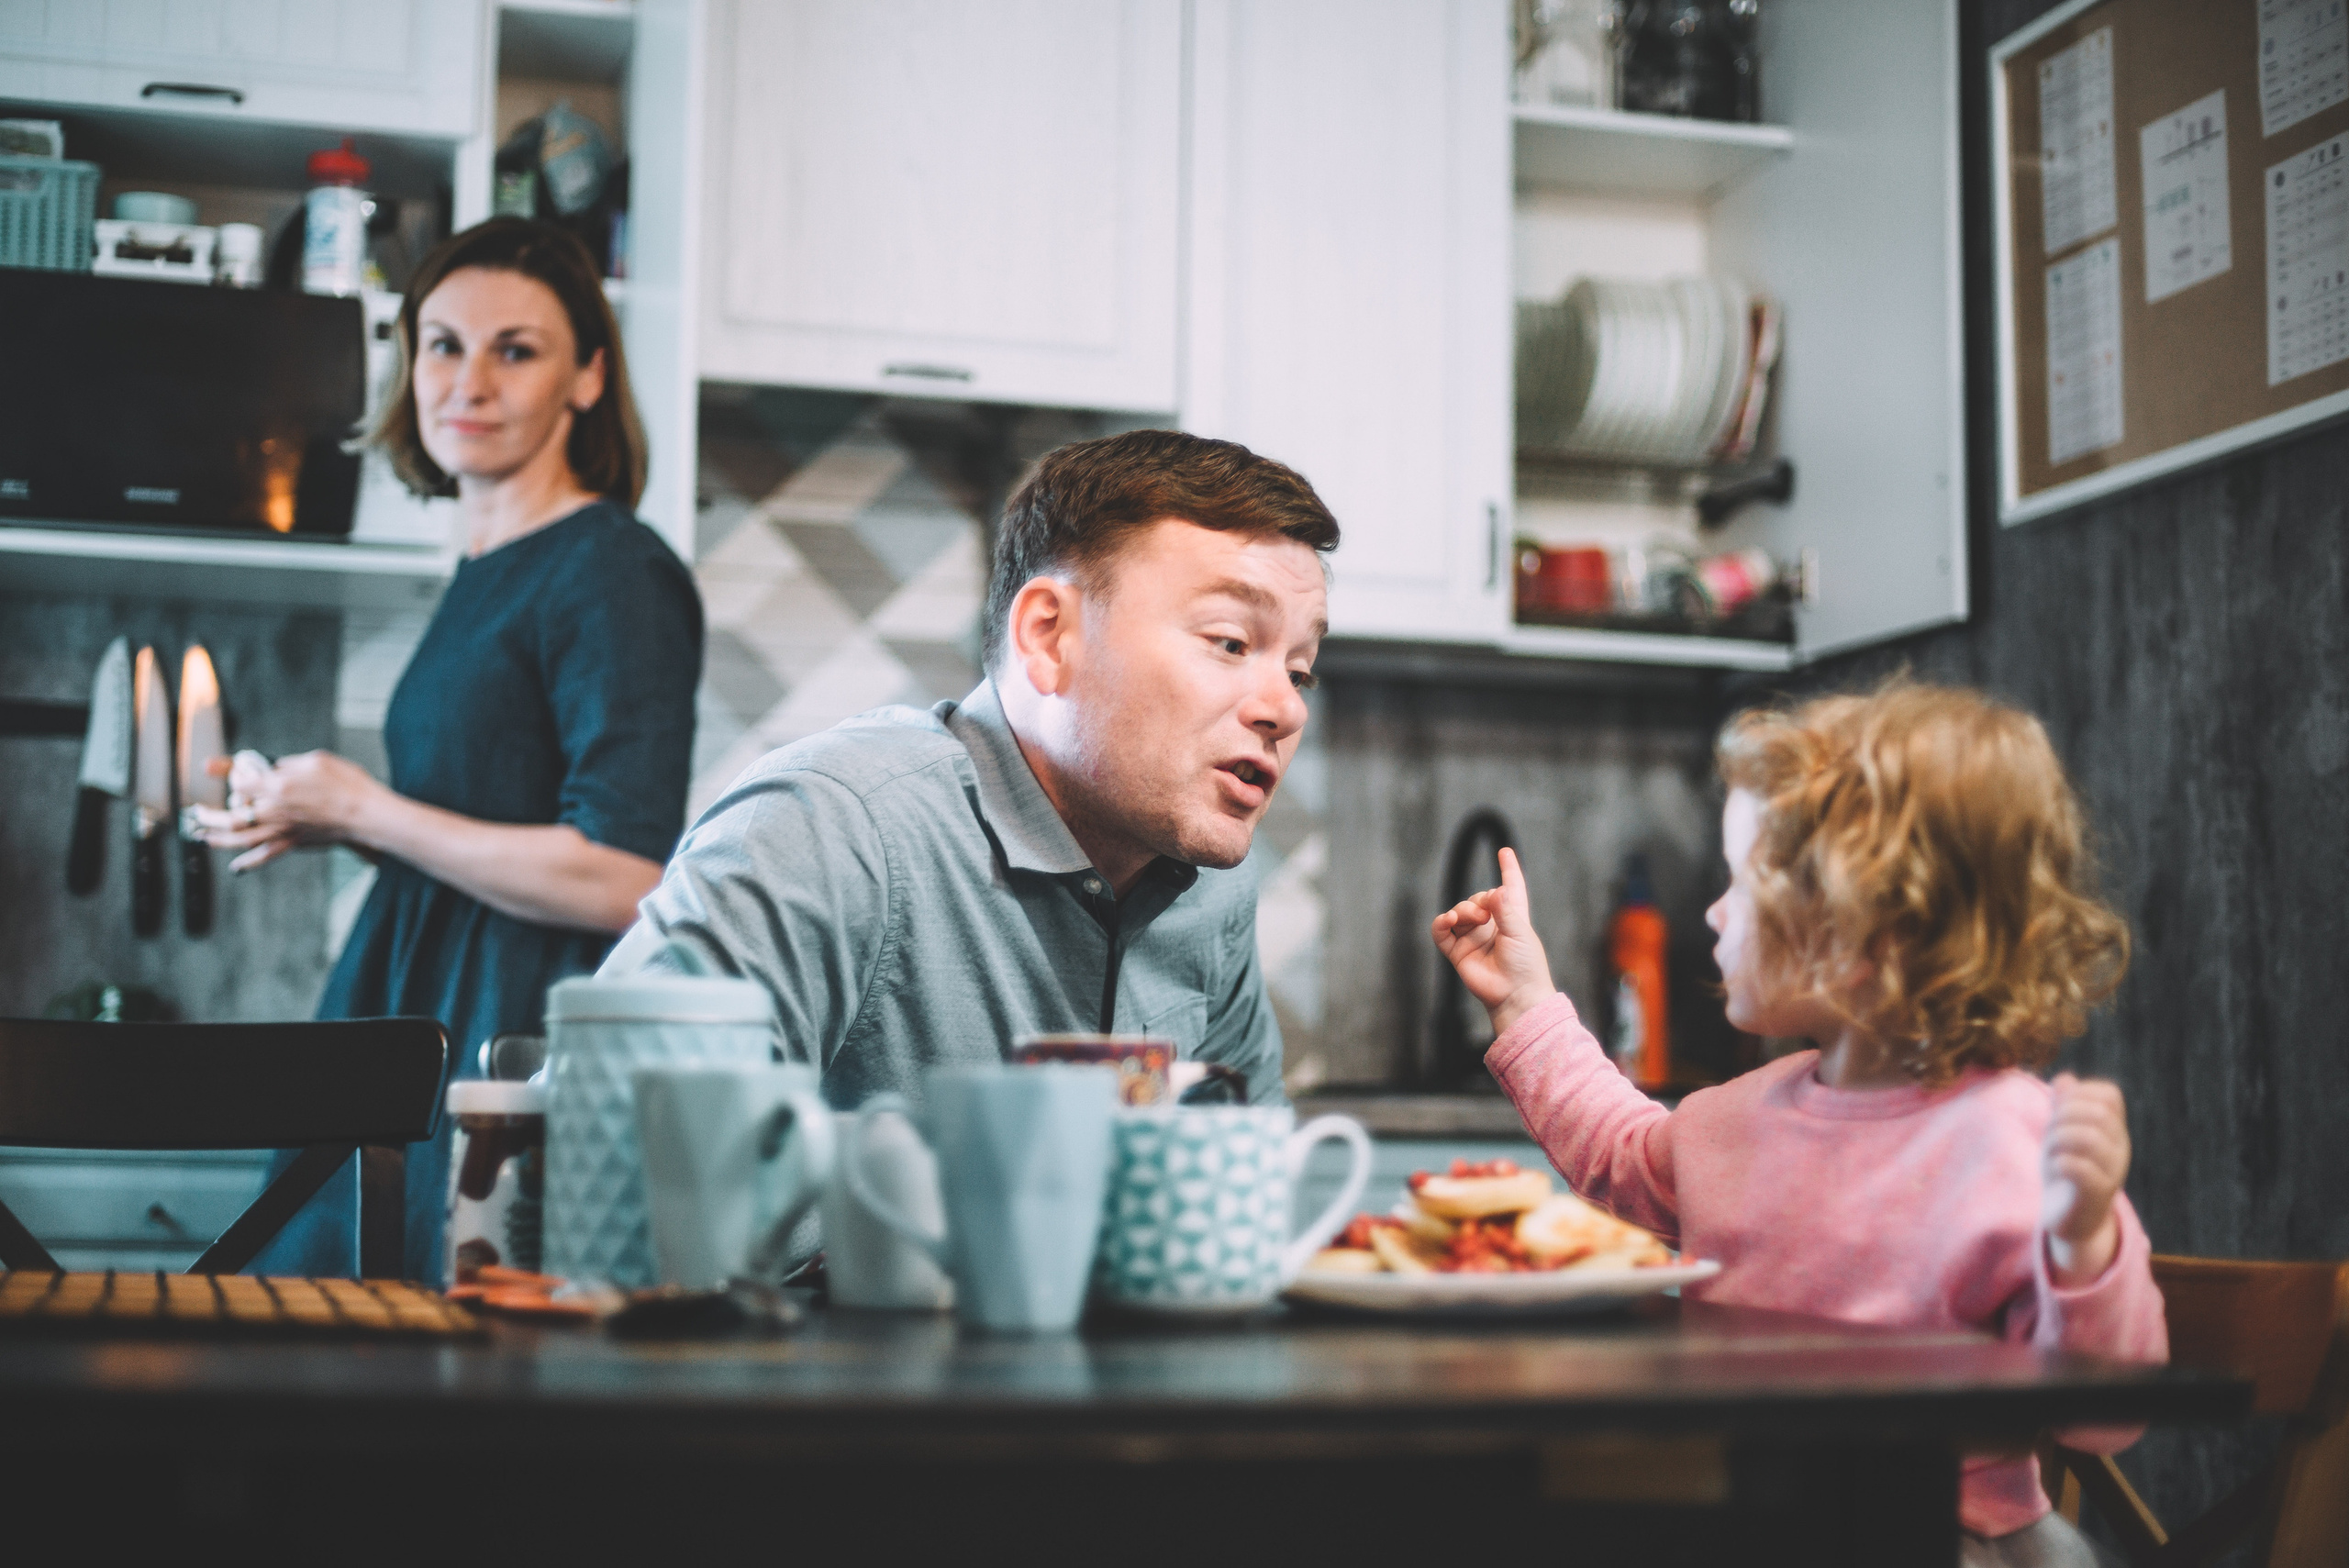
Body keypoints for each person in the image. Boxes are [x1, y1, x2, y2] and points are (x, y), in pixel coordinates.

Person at [1430, 681, 2165, 1568]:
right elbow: (1617, 1149)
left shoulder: (2018, 1143)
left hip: (1939, 1537)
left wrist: (2084, 1243)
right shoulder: (1738, 1115)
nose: (1714, 910)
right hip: (1743, 1518)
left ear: (1860, 935)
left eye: (1743, 884)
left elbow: (2107, 1416)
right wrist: (1524, 1001)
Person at [196, 218, 703, 1283]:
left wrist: (367, 810)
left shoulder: (612, 568)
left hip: (501, 1036)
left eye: (515, 350)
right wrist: (322, 813)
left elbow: (624, 877)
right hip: (411, 1006)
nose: (469, 381)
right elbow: (480, 817)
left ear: (586, 377)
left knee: (424, 1341)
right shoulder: (487, 569)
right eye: (442, 344)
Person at [605, 428, 1335, 1143]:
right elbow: (605, 1159)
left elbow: (1243, 1180)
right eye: (1230, 642)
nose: (1287, 708)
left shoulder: (1210, 891)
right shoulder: (829, 828)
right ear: (1048, 636)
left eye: (1299, 671)